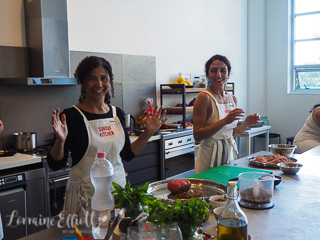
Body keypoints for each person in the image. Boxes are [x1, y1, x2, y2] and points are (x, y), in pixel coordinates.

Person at [47, 56, 168, 218]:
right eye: (92, 79)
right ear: (83, 83)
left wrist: (148, 133)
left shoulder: (116, 113)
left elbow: (127, 154)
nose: (99, 84)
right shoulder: (71, 116)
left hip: (117, 193)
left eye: (104, 78)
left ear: (110, 81)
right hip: (85, 198)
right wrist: (60, 142)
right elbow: (56, 163)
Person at [193, 54, 260, 174]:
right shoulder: (204, 97)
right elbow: (197, 135)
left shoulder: (232, 99)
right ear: (208, 74)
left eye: (223, 70)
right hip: (209, 158)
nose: (218, 74)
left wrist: (246, 123)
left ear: (228, 74)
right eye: (213, 70)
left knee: (228, 190)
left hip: (228, 155)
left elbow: (231, 134)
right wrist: (224, 121)